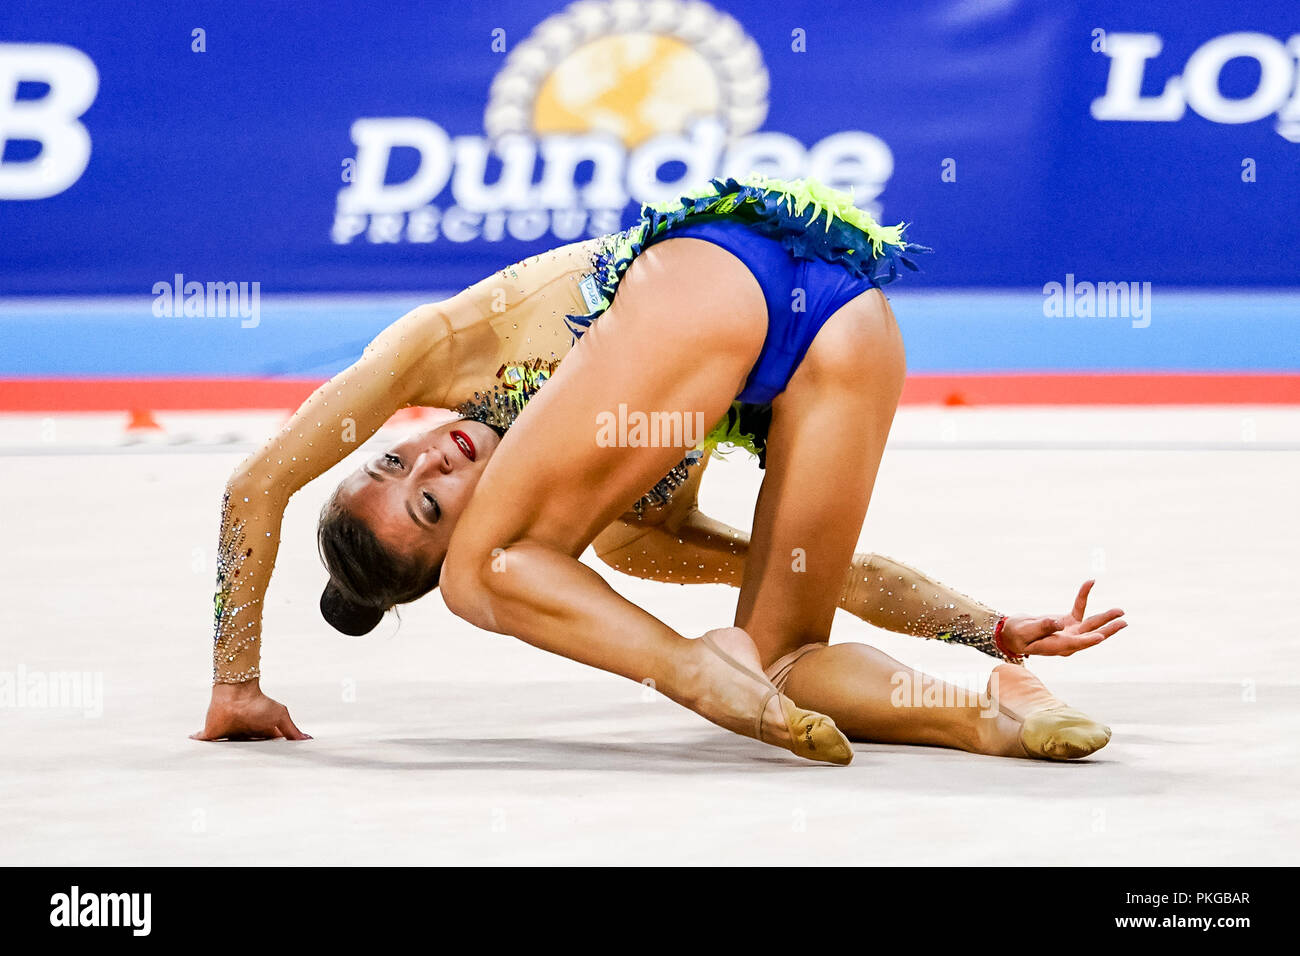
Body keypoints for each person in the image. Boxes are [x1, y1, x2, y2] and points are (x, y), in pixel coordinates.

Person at [195, 176, 1124, 763]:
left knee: (485, 578)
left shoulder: (440, 348)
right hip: (843, 332)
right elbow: (824, 573)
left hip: (717, 272)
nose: (432, 455)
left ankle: (697, 672)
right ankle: (990, 719)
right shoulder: (637, 535)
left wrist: (235, 683)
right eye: (432, 505)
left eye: (392, 457)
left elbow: (254, 485)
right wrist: (988, 629)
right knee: (789, 652)